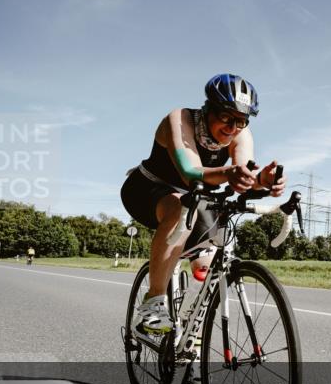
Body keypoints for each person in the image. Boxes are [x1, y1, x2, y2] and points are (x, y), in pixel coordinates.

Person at [121, 74, 285, 334]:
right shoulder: (180, 119)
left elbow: (242, 173)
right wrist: (230, 173)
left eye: (241, 121)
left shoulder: (241, 134)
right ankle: (153, 304)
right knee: (179, 209)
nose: (232, 127)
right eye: (226, 117)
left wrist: (261, 181)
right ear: (209, 108)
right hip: (147, 189)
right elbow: (191, 172)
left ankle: (191, 335)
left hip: (196, 199)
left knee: (206, 264)